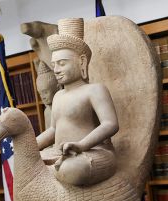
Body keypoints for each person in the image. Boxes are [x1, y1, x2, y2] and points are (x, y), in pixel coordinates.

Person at [35, 17, 119, 187]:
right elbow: (53, 130)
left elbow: (110, 124)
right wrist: (29, 146)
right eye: (54, 65)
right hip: (60, 154)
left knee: (73, 169)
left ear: (81, 61)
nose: (56, 70)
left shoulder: (94, 90)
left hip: (92, 152)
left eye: (62, 63)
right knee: (25, 166)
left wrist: (82, 145)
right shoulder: (58, 96)